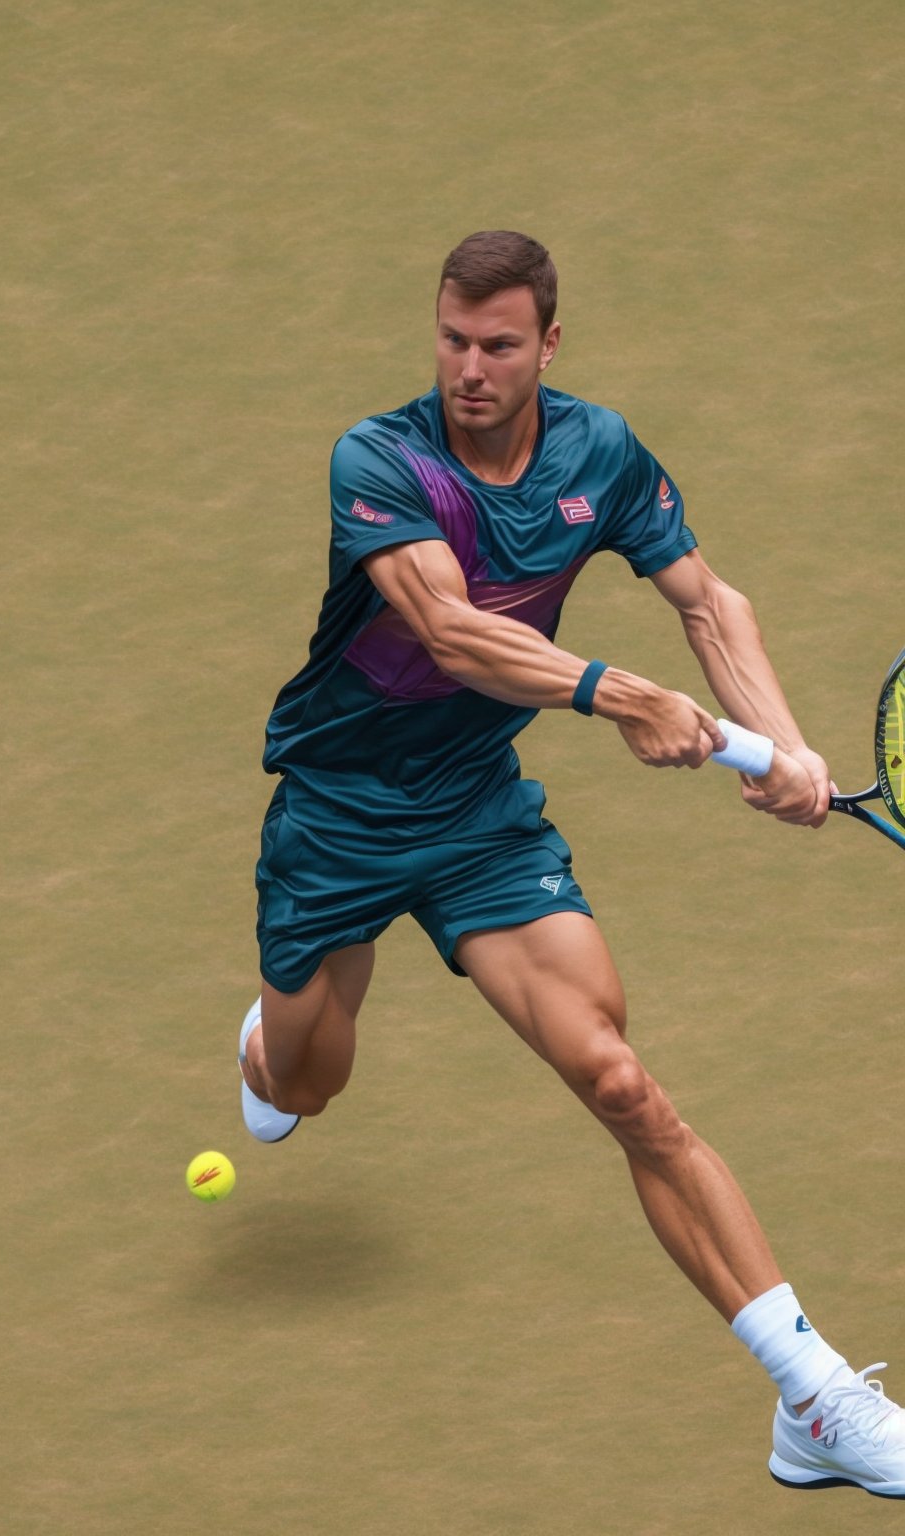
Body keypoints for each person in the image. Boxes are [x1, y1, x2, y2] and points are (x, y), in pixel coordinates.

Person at [237, 230, 905, 1496]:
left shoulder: (601, 452)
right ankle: (267, 1046)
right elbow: (447, 630)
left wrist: (785, 745)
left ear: (549, 344)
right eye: (451, 339)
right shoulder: (382, 459)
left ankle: (810, 1401)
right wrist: (616, 693)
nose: (469, 368)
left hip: (479, 814)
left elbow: (709, 603)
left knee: (622, 1085)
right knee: (306, 1083)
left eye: (497, 345)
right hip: (337, 815)